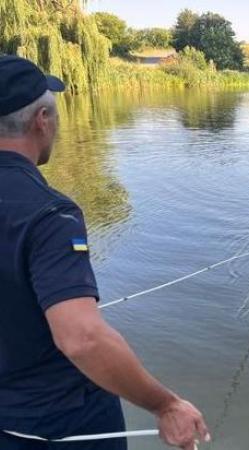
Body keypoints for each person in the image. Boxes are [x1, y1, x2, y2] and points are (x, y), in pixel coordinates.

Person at [0, 56, 210, 450]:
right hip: (58, 428)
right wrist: (166, 406)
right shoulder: (48, 213)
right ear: (41, 120)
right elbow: (81, 338)